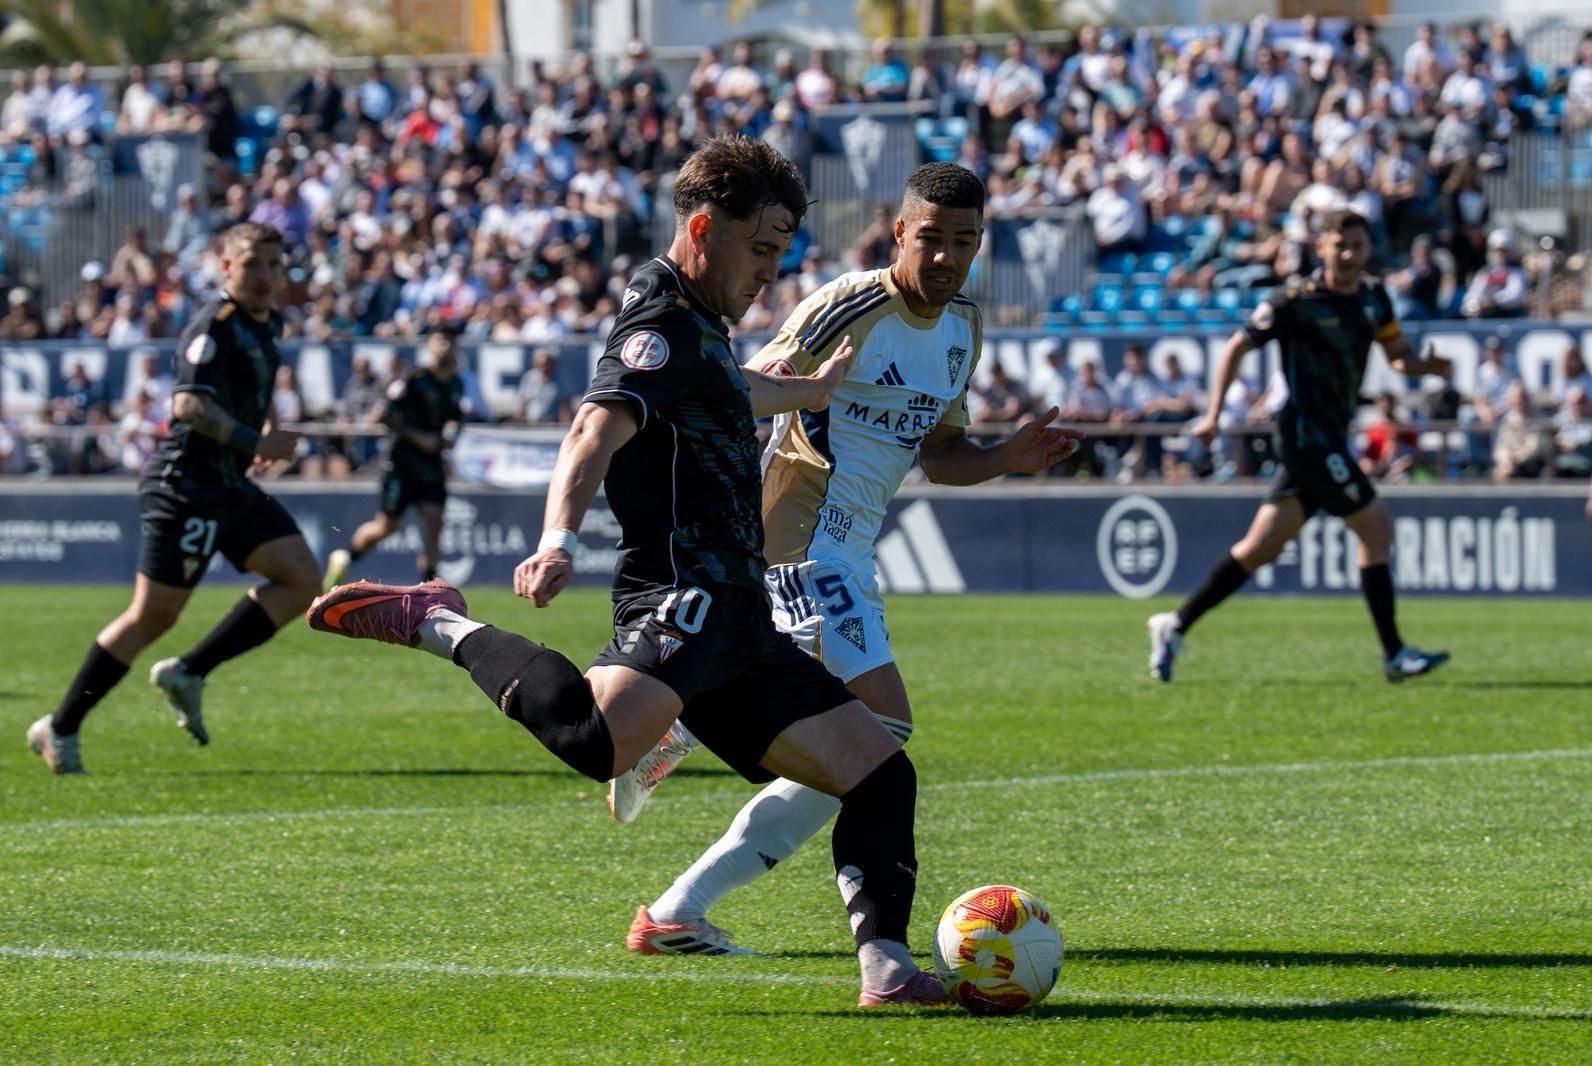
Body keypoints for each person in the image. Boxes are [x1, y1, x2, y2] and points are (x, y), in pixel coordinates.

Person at [305, 137, 948, 1008]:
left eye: (781, 250)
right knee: (596, 741)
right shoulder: (657, 324)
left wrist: (807, 394)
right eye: (760, 248)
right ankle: (435, 621)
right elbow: (594, 429)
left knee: (879, 766)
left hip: (742, 624)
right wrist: (557, 535)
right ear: (701, 228)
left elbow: (727, 388)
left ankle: (887, 967)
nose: (771, 269)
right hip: (680, 594)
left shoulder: (705, 329)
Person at [608, 163, 1079, 957]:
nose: (945, 257)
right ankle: (680, 888)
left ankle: (678, 734)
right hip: (795, 541)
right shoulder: (852, 306)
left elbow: (942, 456)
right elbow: (738, 384)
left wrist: (1008, 459)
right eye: (930, 237)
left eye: (964, 242)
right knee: (879, 727)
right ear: (900, 232)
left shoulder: (963, 325)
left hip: (850, 554)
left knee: (869, 734)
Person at [27, 223, 321, 774]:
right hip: (184, 486)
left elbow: (252, 393)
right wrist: (254, 440)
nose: (263, 276)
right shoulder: (214, 325)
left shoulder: (269, 323)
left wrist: (259, 437)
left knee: (303, 580)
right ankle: (59, 727)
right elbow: (187, 406)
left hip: (229, 485)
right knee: (151, 618)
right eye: (252, 264)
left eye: (272, 266)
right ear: (226, 268)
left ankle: (188, 671)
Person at [1145, 211, 1452, 684]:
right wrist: (1212, 415)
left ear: (1369, 248)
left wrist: (1427, 367)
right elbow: (1236, 347)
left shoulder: (1373, 298)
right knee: (1376, 528)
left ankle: (1175, 624)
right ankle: (1394, 654)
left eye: (1358, 244)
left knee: (1259, 548)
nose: (1349, 254)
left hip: (1330, 433)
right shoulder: (1294, 301)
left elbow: (1397, 356)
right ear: (1322, 247)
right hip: (1307, 437)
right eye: (1340, 244)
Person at [324, 329, 464, 587]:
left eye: (450, 340)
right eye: (440, 339)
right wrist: (420, 437)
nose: (446, 344)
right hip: (401, 464)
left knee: (435, 522)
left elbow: (456, 418)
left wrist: (451, 434)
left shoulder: (455, 383)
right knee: (386, 527)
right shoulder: (414, 378)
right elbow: (383, 414)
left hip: (431, 465)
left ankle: (428, 590)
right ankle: (344, 556)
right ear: (430, 347)